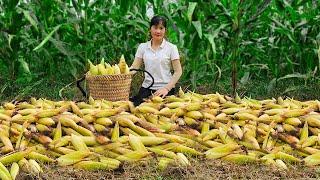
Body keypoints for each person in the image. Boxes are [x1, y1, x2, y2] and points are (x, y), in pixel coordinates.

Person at [130, 15, 182, 106]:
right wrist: (120, 74)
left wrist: (166, 88)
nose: (158, 31)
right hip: (146, 88)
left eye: (161, 28)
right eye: (155, 27)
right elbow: (134, 68)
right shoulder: (143, 47)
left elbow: (178, 71)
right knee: (137, 109)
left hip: (165, 90)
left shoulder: (171, 48)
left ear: (165, 30)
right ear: (150, 29)